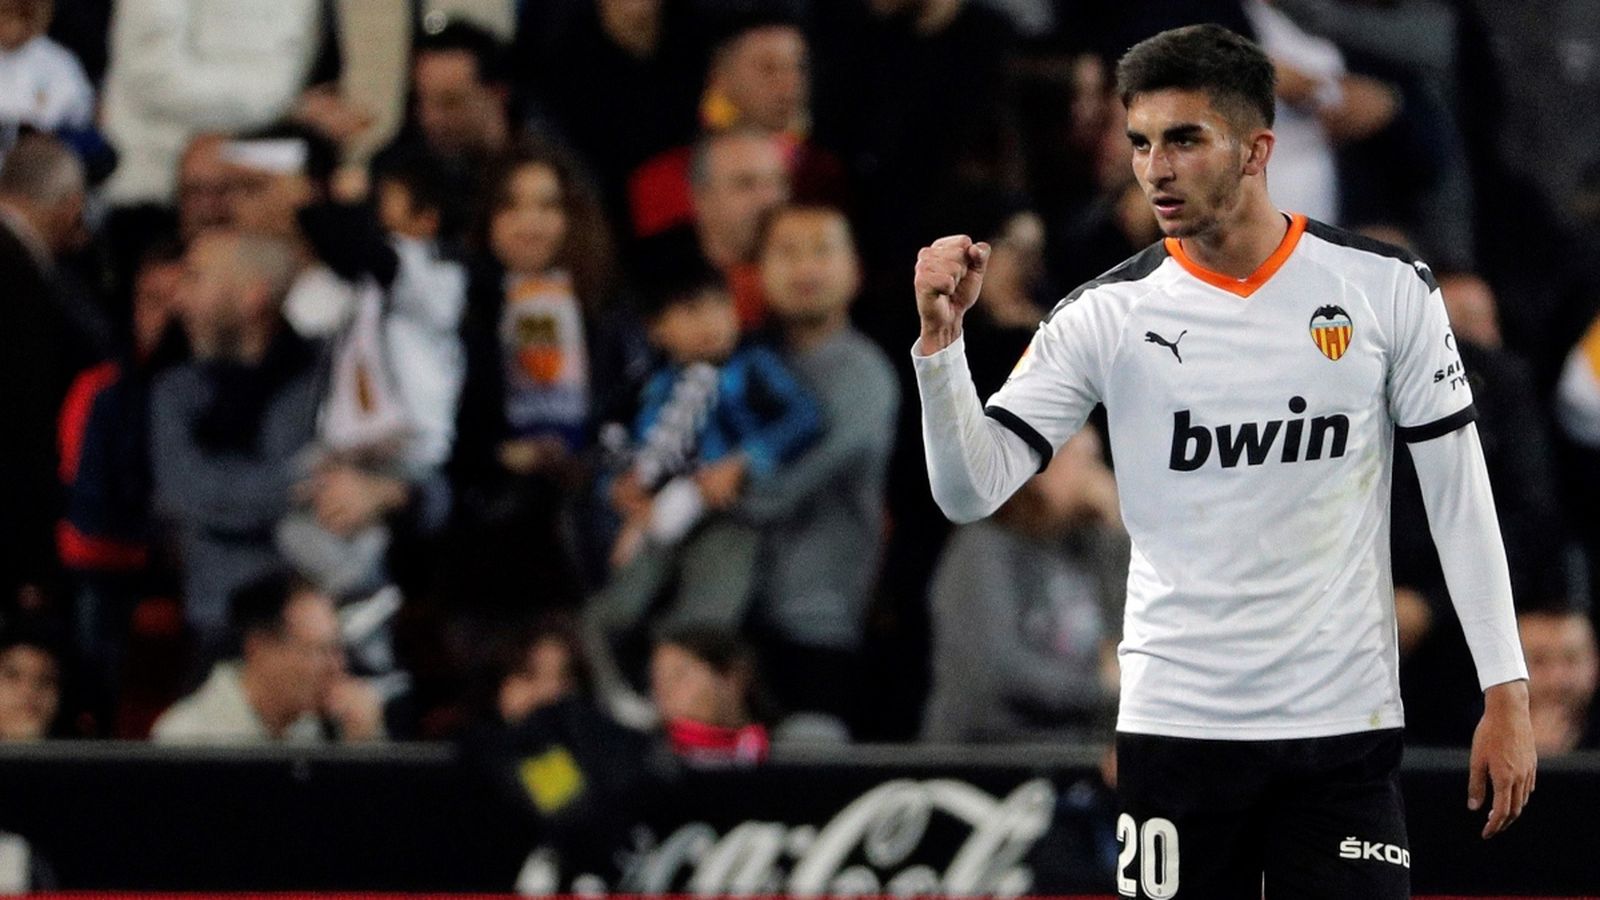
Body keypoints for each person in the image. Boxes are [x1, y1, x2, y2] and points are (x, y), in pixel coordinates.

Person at [910, 24, 1535, 898]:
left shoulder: (1387, 289)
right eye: (1140, 143)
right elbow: (971, 490)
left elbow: (1460, 496)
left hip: (1341, 734)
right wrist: (941, 353)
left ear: (1256, 149)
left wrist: (1505, 688)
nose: (1155, 167)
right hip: (1177, 732)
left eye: (1184, 139)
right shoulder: (1105, 314)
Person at [586, 257, 819, 667]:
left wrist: (743, 462)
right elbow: (620, 445)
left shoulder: (752, 367)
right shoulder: (652, 386)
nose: (711, 321)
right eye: (692, 311)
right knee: (616, 610)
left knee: (707, 620)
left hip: (727, 515)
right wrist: (619, 487)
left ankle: (687, 692)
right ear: (657, 328)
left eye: (719, 306)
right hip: (657, 513)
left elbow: (804, 417)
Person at [740, 204, 897, 730]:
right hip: (736, 620)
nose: (805, 268)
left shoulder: (866, 376)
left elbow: (776, 490)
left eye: (822, 250)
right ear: (758, 270)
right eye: (786, 252)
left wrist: (701, 492)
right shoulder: (745, 364)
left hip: (818, 628)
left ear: (854, 270)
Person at [922, 427, 1126, 744]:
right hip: (986, 757)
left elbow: (1123, 642)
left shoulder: (1088, 549)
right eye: (1083, 460)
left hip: (1067, 755)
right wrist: (1100, 687)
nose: (1095, 477)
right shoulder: (984, 547)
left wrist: (1119, 527)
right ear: (1041, 466)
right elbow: (1001, 672)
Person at [150, 571, 385, 743]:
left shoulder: (320, 729)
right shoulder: (188, 738)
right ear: (259, 649)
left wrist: (364, 743)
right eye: (319, 651)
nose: (337, 666)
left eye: (337, 649)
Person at [1519, 605, 1599, 756]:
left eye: (1572, 659)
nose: (1557, 679)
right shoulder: (1471, 734)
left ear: (1594, 663)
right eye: (1539, 661)